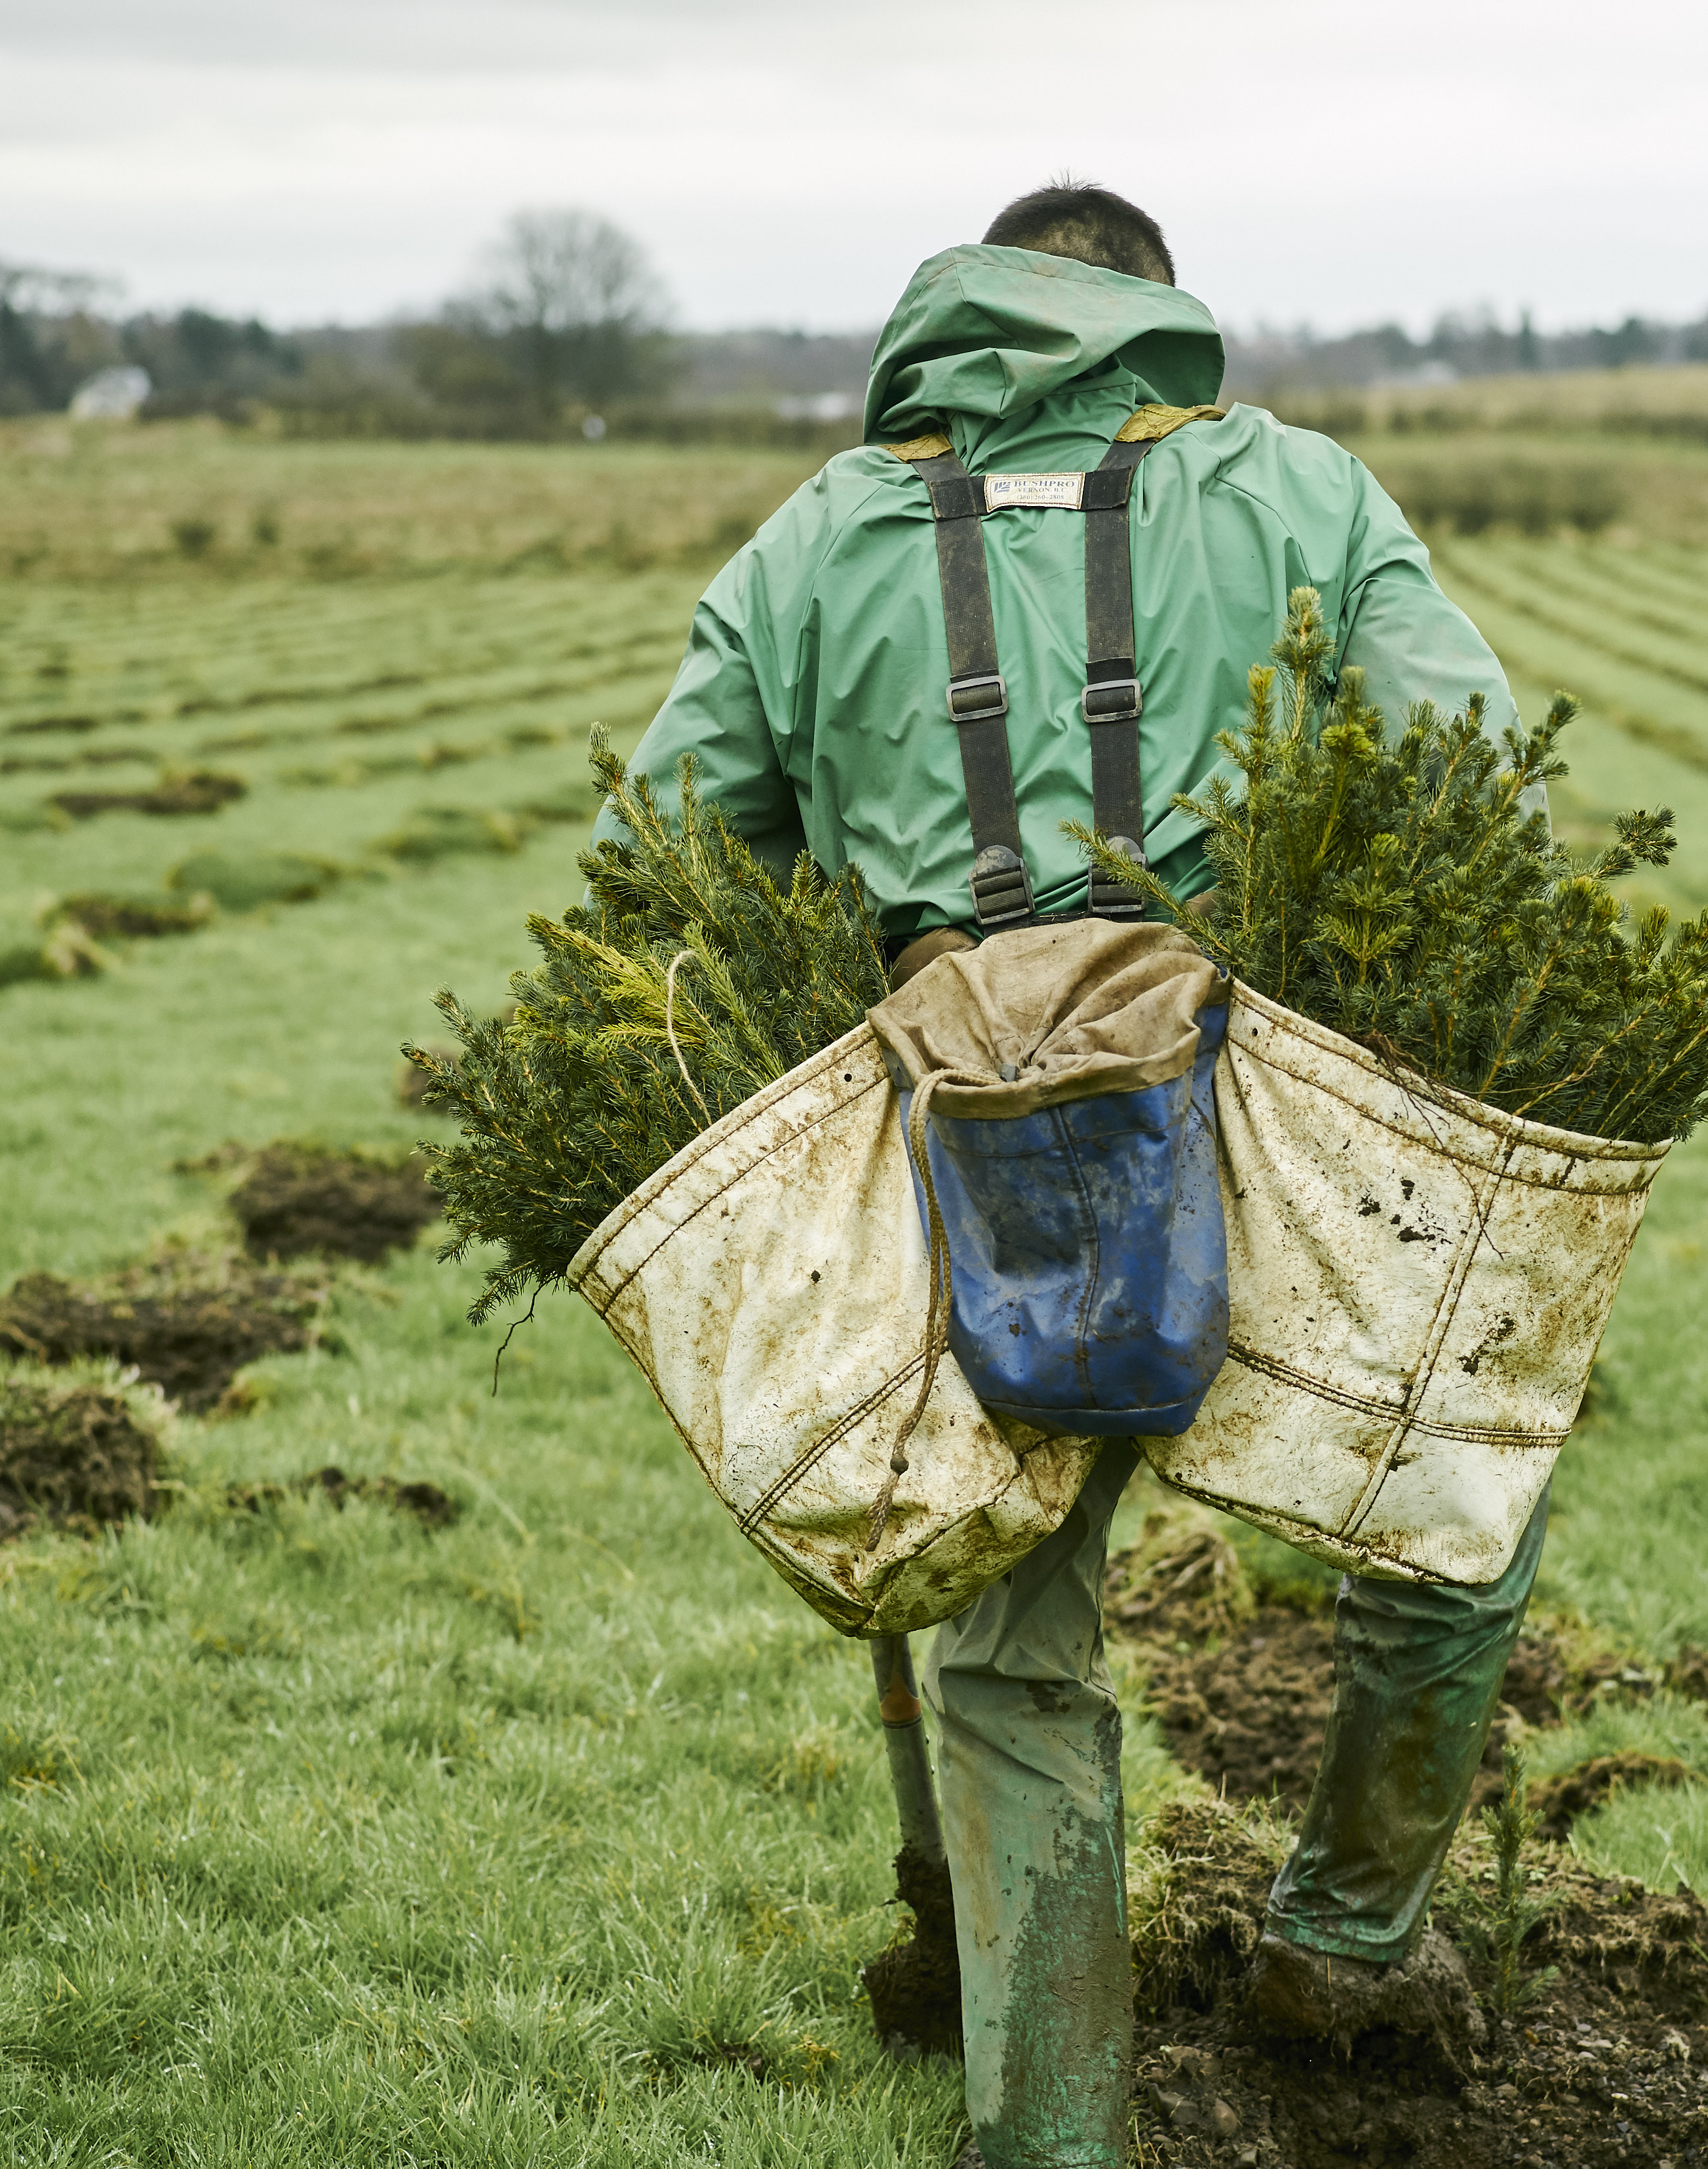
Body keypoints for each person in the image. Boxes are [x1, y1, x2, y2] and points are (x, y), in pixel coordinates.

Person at [619, 182, 1551, 2169]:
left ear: (957, 319)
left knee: (1001, 1634)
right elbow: (1472, 787)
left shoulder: (820, 533)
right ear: (1156, 317)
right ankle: (1342, 1942)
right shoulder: (1294, 489)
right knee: (1453, 1516)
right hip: (1262, 1120)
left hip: (957, 1133)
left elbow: (665, 856)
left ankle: (1045, 2131)